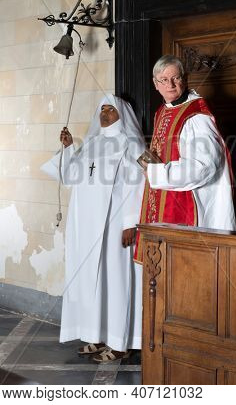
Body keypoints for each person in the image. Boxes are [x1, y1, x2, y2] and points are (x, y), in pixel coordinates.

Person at [41, 94, 145, 362]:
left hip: (114, 224)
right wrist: (67, 148)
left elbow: (138, 185)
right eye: (102, 109)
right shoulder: (92, 143)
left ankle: (121, 342)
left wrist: (130, 223)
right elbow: (70, 175)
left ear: (123, 115)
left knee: (115, 280)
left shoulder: (131, 144)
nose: (105, 113)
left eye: (111, 109)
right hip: (86, 226)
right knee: (91, 280)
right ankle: (96, 335)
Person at [134, 55, 235, 263]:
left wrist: (156, 172)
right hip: (163, 204)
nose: (170, 85)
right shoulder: (162, 111)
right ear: (155, 84)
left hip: (187, 207)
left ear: (185, 79)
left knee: (180, 268)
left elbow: (204, 166)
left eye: (175, 78)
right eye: (163, 80)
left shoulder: (196, 115)